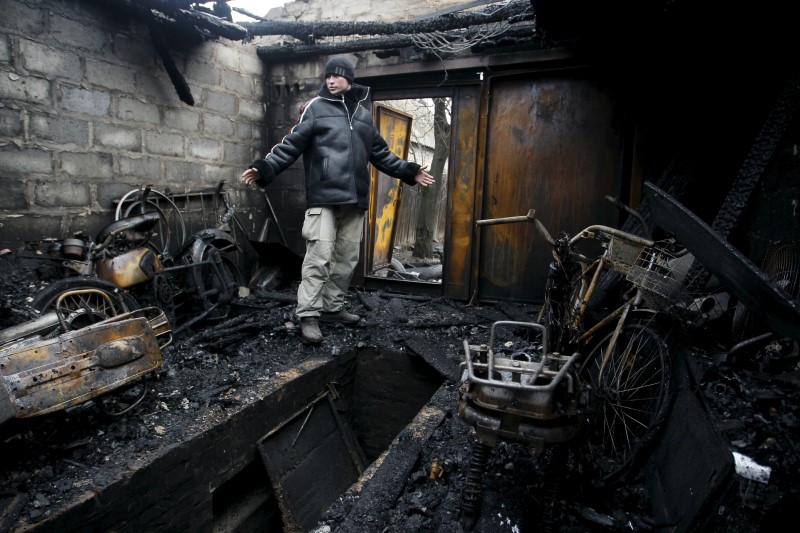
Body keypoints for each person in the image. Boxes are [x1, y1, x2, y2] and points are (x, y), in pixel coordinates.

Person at [241, 56, 435, 345]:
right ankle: (308, 315)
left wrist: (409, 170)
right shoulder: (315, 109)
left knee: (346, 260)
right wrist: (265, 168)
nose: (330, 80)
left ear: (349, 79)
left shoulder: (363, 115)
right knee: (318, 258)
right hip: (323, 198)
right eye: (328, 76)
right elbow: (290, 144)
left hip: (354, 200)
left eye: (337, 76)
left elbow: (381, 153)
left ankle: (332, 309)